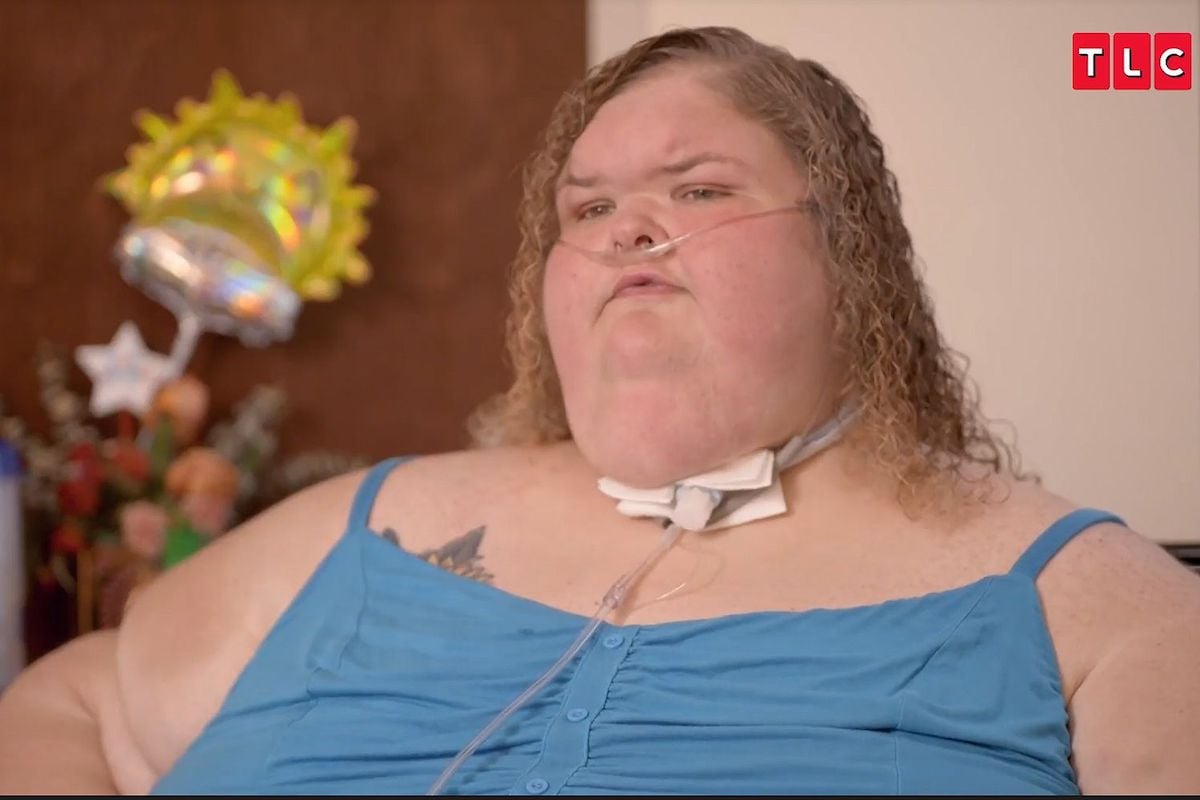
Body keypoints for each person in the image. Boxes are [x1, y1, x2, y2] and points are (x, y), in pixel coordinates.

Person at [1, 25, 1198, 795]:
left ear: (852, 261)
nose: (628, 228)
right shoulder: (381, 518)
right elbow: (78, 699)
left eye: (699, 188)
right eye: (588, 208)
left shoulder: (1086, 600)